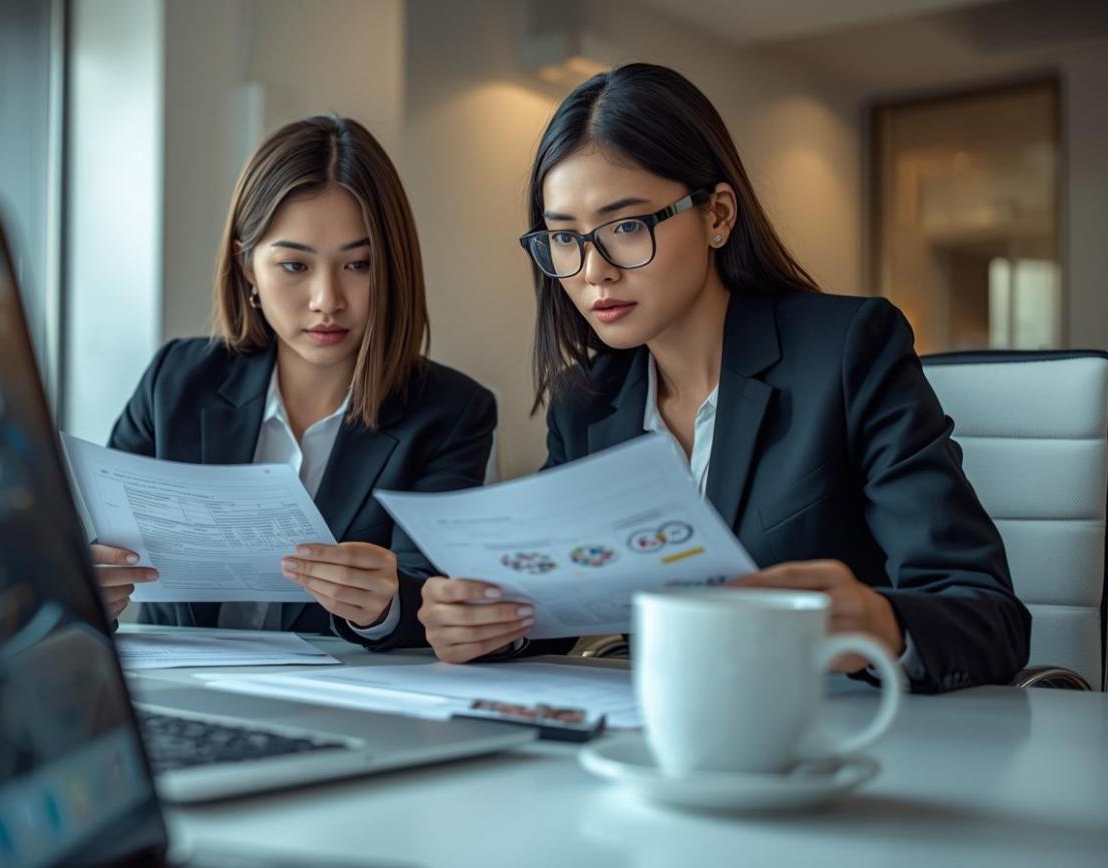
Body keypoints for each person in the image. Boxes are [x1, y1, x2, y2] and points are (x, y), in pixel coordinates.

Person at [416, 64, 1030, 692]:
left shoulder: (847, 353)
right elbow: (561, 606)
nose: (593, 271)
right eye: (564, 238)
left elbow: (988, 615)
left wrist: (877, 622)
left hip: (838, 740)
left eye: (626, 226)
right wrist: (491, 621)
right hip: (662, 743)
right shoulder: (588, 402)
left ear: (717, 216)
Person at [95, 115, 496, 649]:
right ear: (247, 269)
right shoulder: (176, 381)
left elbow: (434, 604)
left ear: (393, 269)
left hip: (346, 709)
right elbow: (98, 546)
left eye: (358, 265)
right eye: (293, 266)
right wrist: (87, 587)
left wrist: (384, 605)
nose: (327, 299)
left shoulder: (451, 413)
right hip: (185, 693)